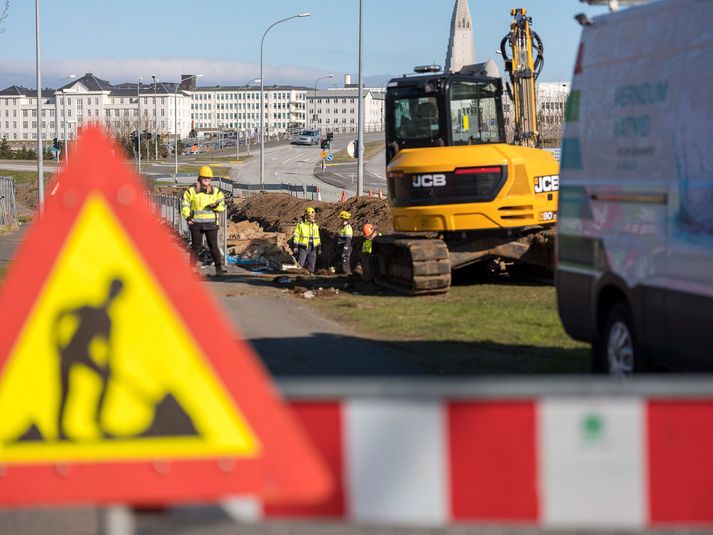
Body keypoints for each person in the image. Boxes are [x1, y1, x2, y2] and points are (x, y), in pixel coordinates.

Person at [54, 277, 124, 440]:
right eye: (114, 290)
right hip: (70, 353)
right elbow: (61, 314)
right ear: (109, 290)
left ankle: (97, 419)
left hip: (84, 355)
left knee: (105, 377)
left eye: (117, 292)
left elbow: (107, 347)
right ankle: (59, 428)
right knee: (66, 392)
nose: (114, 295)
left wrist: (109, 366)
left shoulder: (107, 321)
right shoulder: (89, 309)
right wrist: (57, 342)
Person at [181, 165, 226, 276]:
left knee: (213, 246)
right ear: (199, 178)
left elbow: (222, 206)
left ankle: (218, 269)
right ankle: (192, 269)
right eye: (204, 177)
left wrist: (215, 206)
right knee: (196, 246)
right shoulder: (191, 191)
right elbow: (185, 204)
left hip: (211, 224)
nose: (206, 180)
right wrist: (187, 217)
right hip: (196, 224)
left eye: (208, 178)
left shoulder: (216, 192)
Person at [293, 207, 321, 273]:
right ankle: (297, 276)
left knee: (312, 265)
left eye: (313, 216)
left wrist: (319, 247)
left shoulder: (315, 225)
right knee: (301, 263)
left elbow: (317, 237)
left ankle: (310, 277)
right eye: (311, 216)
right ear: (307, 216)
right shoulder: (301, 224)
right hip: (303, 247)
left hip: (313, 248)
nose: (313, 217)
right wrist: (295, 246)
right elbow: (296, 236)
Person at [336, 210, 353, 275]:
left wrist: (345, 248)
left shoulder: (348, 228)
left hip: (346, 248)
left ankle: (348, 274)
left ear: (344, 219)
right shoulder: (344, 228)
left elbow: (348, 239)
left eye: (341, 219)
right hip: (341, 247)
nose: (340, 221)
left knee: (345, 261)